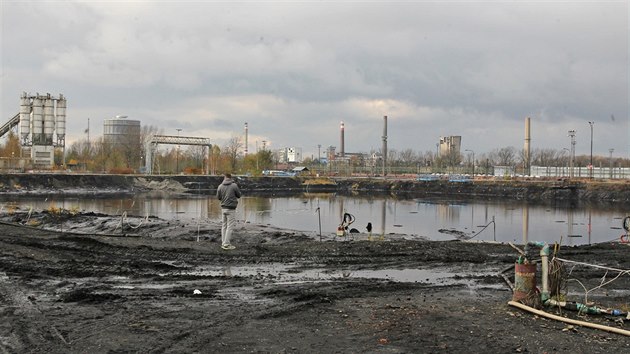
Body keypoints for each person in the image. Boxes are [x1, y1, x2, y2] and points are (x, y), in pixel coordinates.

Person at [216, 173, 241, 250]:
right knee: (230, 227)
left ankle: (224, 242)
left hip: (223, 208)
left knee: (224, 226)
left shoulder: (220, 186)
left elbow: (218, 197)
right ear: (231, 178)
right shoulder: (234, 185)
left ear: (224, 177)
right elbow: (239, 195)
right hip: (231, 209)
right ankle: (226, 244)